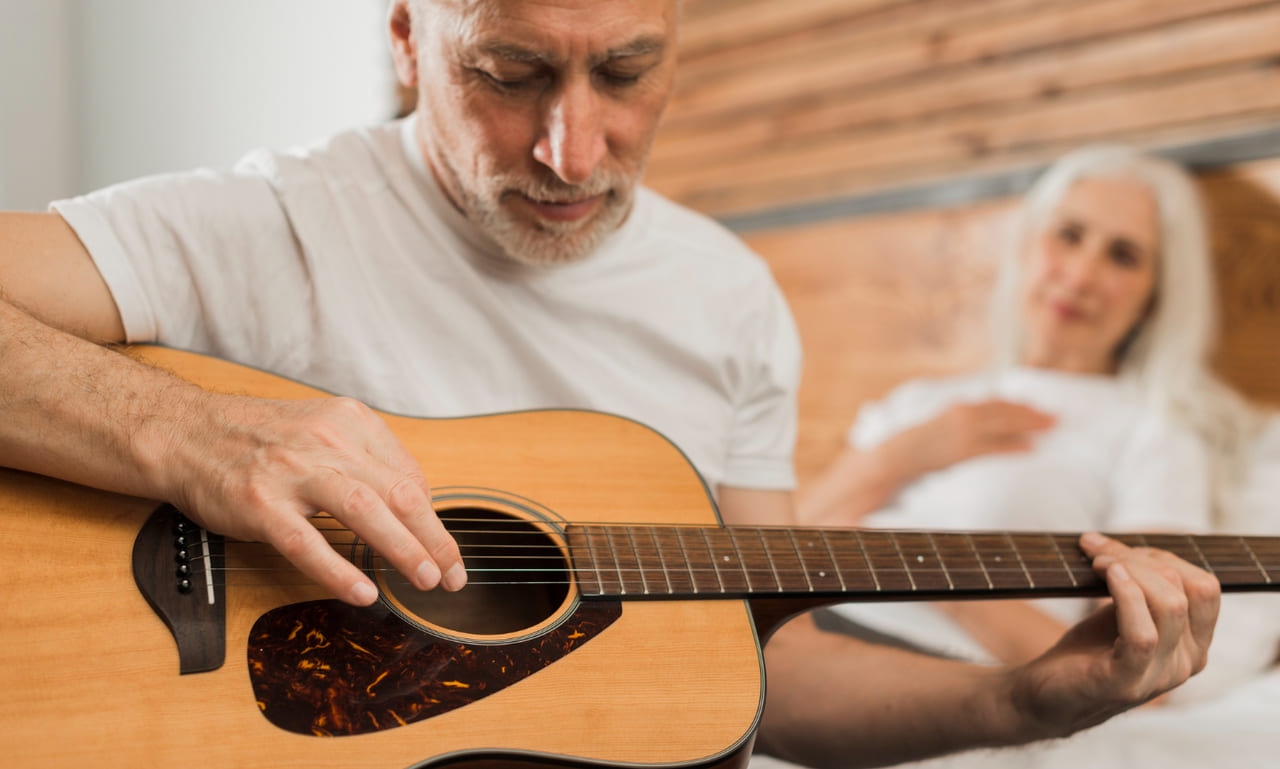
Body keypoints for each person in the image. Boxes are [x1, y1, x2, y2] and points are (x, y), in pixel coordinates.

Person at [0, 3, 1220, 768]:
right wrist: (194, 434)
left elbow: (760, 668)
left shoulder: (728, 296)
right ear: (406, 38)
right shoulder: (273, 221)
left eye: (627, 73)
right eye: (510, 71)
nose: (570, 151)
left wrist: (1019, 700)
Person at [795, 145, 1259, 669]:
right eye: (1069, 235)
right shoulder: (923, 403)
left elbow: (1138, 664)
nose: (1081, 275)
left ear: (1155, 297)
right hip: (794, 631)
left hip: (916, 668)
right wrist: (893, 459)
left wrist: (920, 567)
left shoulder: (1152, 434)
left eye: (1123, 255)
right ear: (1028, 244)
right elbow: (773, 557)